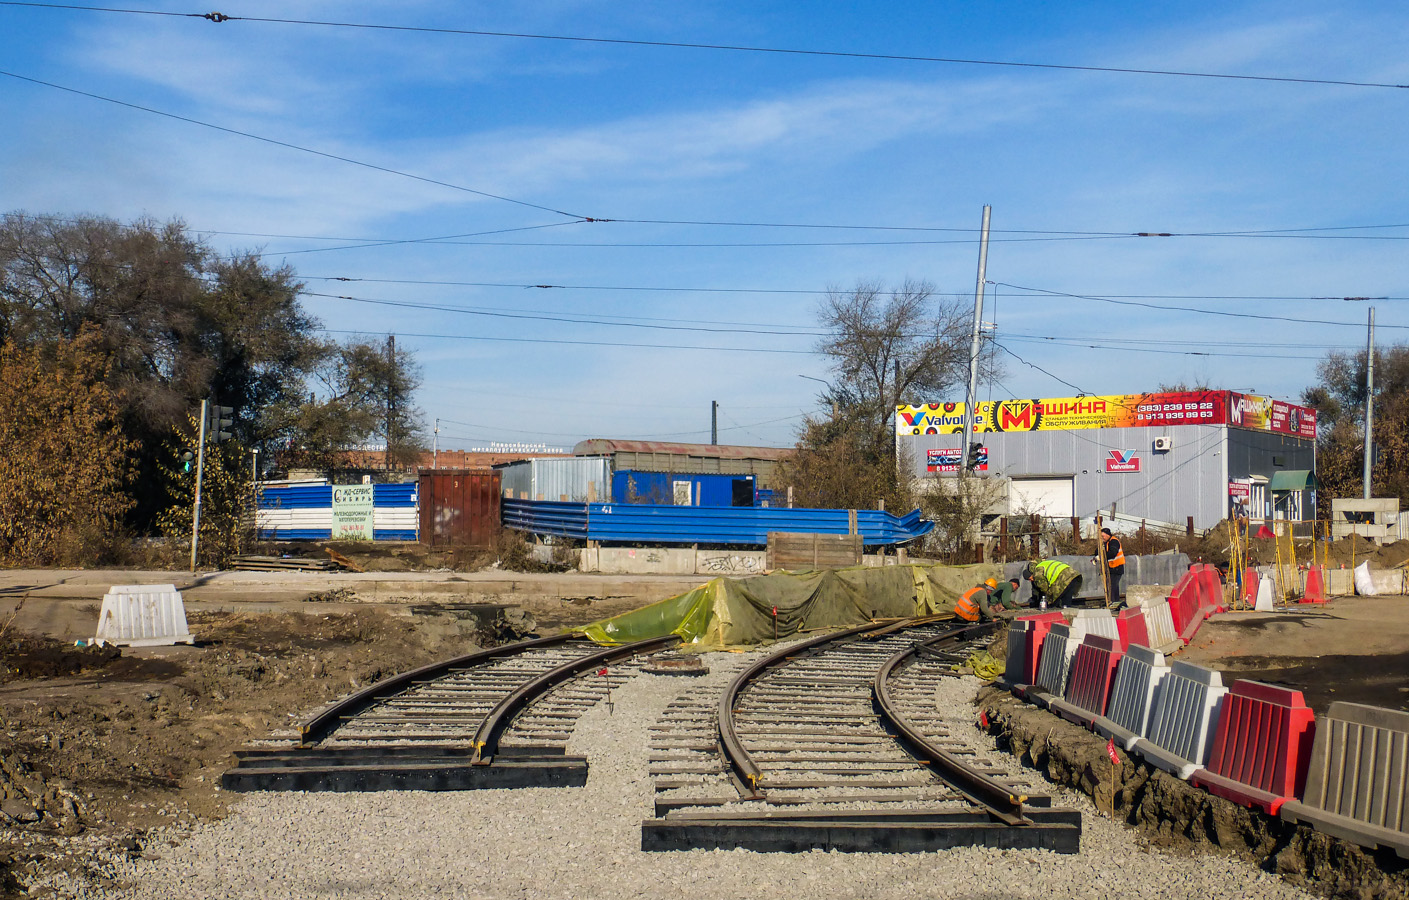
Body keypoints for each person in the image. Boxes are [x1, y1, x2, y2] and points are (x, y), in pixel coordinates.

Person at [1094, 528, 1126, 607]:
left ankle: (1112, 602)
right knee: (1112, 585)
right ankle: (1113, 601)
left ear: (1108, 535)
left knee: (1112, 586)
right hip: (1111, 568)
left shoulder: (1114, 542)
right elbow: (1098, 551)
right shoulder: (1105, 543)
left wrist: (1101, 557)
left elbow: (1112, 553)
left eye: (1103, 536)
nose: (1102, 538)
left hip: (1117, 567)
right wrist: (1097, 555)